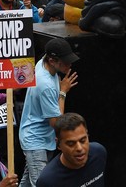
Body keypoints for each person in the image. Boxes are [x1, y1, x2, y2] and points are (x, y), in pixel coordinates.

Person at [19, 38, 80, 187]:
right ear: (52, 61)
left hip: (40, 138)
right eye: (65, 61)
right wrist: (63, 92)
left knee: (27, 183)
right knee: (41, 184)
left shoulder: (42, 63)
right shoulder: (45, 85)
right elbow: (57, 123)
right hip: (36, 141)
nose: (69, 64)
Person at [36, 112, 106, 187]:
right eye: (71, 144)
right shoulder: (48, 181)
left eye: (83, 140)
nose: (79, 148)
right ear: (58, 144)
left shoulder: (98, 153)